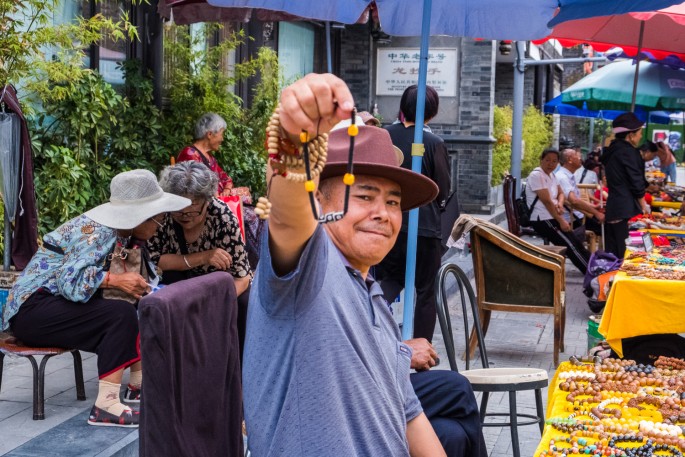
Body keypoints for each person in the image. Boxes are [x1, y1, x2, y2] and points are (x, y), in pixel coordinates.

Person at [244, 73, 483, 457]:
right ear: (319, 204)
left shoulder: (370, 291)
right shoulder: (310, 268)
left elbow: (408, 410)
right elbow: (289, 218)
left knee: (452, 428)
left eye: (392, 203)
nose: (383, 214)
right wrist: (293, 138)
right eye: (365, 196)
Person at [1, 170, 190, 427]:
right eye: (157, 220)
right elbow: (68, 282)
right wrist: (115, 280)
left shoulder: (122, 233)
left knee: (132, 305)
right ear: (140, 216)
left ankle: (138, 384)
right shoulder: (99, 231)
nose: (158, 227)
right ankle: (106, 405)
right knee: (119, 316)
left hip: (48, 306)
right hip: (32, 309)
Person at [147, 161, 251, 354]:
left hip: (215, 289)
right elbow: (154, 258)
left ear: (207, 200)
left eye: (193, 208)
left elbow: (242, 277)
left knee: (243, 304)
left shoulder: (223, 217)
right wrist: (203, 257)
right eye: (179, 208)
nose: (185, 215)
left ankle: (238, 369)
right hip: (177, 283)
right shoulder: (163, 216)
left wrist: (212, 303)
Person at [375, 84, 451, 342]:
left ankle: (369, 328)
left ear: (403, 106)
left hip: (389, 221)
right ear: (432, 111)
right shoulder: (434, 143)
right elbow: (442, 191)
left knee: (390, 279)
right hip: (425, 227)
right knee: (426, 292)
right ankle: (422, 352)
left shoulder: (383, 136)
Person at [527, 148, 591, 274]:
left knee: (576, 242)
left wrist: (560, 204)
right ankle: (589, 272)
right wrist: (561, 221)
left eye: (554, 161)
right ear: (541, 160)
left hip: (553, 215)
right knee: (569, 245)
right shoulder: (537, 175)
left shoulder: (552, 175)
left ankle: (592, 267)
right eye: (547, 160)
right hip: (543, 218)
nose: (550, 164)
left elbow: (561, 193)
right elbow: (547, 202)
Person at [600, 112, 648, 258]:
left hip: (614, 207)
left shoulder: (612, 150)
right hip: (625, 209)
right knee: (627, 256)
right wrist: (644, 204)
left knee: (614, 255)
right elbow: (636, 181)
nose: (640, 136)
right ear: (630, 135)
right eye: (639, 133)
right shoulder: (627, 152)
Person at [176, 112, 233, 196]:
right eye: (221, 134)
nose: (222, 139)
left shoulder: (210, 158)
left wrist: (227, 190)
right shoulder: (190, 154)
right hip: (199, 206)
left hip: (216, 203)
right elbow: (198, 188)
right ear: (209, 134)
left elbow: (226, 179)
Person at [555, 148, 605, 234]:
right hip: (573, 219)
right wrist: (596, 213)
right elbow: (574, 201)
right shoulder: (562, 177)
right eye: (577, 156)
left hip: (579, 215)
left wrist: (593, 206)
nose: (580, 159)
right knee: (609, 226)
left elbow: (576, 199)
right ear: (570, 160)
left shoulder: (569, 175)